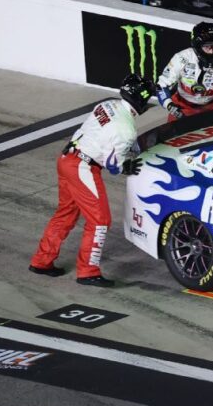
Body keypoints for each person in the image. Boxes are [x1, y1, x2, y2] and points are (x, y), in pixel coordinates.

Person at [29, 74, 154, 287]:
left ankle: (42, 260)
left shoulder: (108, 104)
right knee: (100, 220)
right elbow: (113, 166)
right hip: (83, 167)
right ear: (141, 100)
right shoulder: (126, 129)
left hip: (67, 159)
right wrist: (127, 166)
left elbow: (101, 134)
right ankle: (87, 271)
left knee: (66, 213)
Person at [156, 22, 213, 121]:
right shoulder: (181, 58)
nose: (211, 51)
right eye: (207, 47)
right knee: (175, 134)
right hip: (183, 105)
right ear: (197, 46)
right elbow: (161, 86)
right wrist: (170, 106)